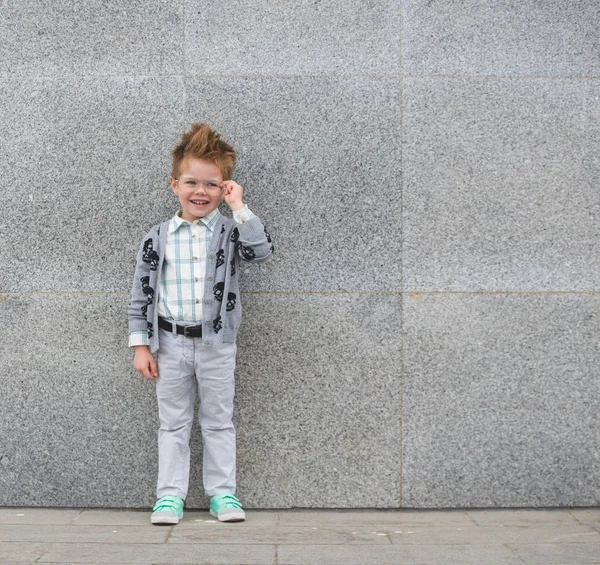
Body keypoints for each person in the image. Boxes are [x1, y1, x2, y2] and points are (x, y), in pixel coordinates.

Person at [128, 122, 273, 525]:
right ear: (174, 184)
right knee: (172, 422)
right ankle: (169, 496)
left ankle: (223, 495)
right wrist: (142, 346)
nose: (201, 192)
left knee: (218, 420)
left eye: (213, 185)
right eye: (191, 182)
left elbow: (261, 252)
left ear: (224, 188)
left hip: (217, 344)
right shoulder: (157, 237)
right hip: (170, 344)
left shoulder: (230, 232)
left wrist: (240, 206)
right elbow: (141, 295)